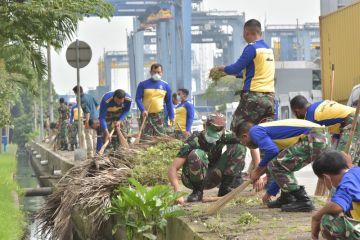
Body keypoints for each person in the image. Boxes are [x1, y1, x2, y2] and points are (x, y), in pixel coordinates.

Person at [217, 19, 276, 181]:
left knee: (237, 131)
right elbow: (246, 73)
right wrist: (232, 73)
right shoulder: (268, 50)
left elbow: (235, 68)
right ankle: (270, 178)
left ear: (246, 32)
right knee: (267, 136)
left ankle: (231, 177)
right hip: (270, 98)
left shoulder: (252, 48)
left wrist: (222, 69)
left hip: (253, 97)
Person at [237, 119, 331, 212]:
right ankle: (286, 197)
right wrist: (270, 193)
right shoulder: (276, 137)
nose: (244, 144)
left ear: (245, 136)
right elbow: (282, 169)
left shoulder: (254, 131)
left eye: (242, 141)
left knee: (275, 164)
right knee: (283, 165)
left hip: (314, 136)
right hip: (322, 136)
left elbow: (272, 152)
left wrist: (257, 170)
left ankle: (303, 200)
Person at [168, 113, 247, 204]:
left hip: (214, 176)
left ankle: (224, 188)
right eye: (212, 128)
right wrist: (177, 192)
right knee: (196, 154)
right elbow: (173, 168)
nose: (215, 131)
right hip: (192, 179)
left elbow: (248, 139)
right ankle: (197, 192)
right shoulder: (194, 140)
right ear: (205, 126)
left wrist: (257, 170)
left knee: (239, 147)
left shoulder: (225, 136)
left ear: (223, 129)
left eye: (219, 129)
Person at [290, 95, 359, 165]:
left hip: (352, 120)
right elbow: (338, 118)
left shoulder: (310, 116)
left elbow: (312, 140)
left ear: (297, 111)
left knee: (342, 160)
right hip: (355, 115)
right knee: (354, 158)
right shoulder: (320, 103)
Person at [311, 151, 360, 240]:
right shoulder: (356, 171)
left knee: (328, 218)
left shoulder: (347, 182)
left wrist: (316, 217)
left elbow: (336, 207)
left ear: (326, 178)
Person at [135, 63, 174, 137]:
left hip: (159, 116)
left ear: (162, 73)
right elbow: (137, 98)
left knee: (161, 137)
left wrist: (171, 116)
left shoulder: (166, 86)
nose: (156, 74)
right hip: (146, 115)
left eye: (158, 72)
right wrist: (142, 110)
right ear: (150, 72)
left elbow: (169, 102)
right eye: (154, 72)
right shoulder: (143, 84)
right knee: (145, 137)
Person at [72, 86, 99, 158]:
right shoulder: (90, 96)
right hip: (96, 118)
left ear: (76, 92)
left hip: (90, 120)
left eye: (75, 93)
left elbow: (87, 112)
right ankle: (96, 153)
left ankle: (90, 155)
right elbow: (97, 105)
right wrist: (95, 113)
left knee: (89, 137)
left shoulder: (81, 99)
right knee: (95, 137)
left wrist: (87, 122)